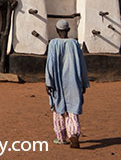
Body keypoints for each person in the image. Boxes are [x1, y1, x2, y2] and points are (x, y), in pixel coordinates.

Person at [45, 19, 89, 149]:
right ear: (68, 30)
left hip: (57, 82)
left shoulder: (53, 43)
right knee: (72, 108)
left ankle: (61, 137)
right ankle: (74, 134)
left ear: (57, 30)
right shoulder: (75, 44)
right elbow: (82, 65)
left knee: (58, 109)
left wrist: (48, 82)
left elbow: (50, 65)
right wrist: (84, 83)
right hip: (73, 81)